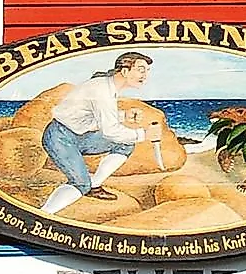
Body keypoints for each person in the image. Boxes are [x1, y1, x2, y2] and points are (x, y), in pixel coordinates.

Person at [38, 51, 159, 212]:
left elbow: (91, 116)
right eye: (141, 69)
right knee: (80, 183)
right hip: (59, 137)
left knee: (125, 144)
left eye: (147, 71)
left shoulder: (107, 86)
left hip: (79, 135)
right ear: (124, 71)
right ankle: (43, 214)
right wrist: (144, 135)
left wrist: (123, 115)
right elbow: (110, 130)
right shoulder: (102, 90)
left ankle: (94, 186)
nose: (145, 75)